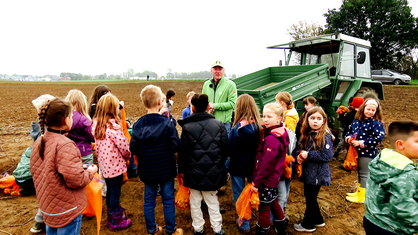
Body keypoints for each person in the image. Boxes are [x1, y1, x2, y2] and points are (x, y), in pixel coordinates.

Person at [30, 96, 97, 235]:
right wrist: (90, 171)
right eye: (71, 115)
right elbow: (76, 180)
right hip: (67, 209)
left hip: (48, 207)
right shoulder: (65, 145)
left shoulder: (39, 142)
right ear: (65, 120)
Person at [130, 85, 183, 235]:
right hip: (166, 168)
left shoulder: (137, 125)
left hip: (147, 169)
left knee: (149, 201)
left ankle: (152, 229)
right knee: (167, 200)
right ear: (160, 101)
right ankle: (171, 230)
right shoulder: (166, 123)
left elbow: (133, 148)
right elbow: (176, 145)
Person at [178, 93, 228, 235]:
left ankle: (198, 228)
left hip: (192, 172)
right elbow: (225, 149)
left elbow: (183, 152)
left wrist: (182, 170)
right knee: (212, 201)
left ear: (192, 108)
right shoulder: (219, 125)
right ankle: (217, 229)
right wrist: (219, 164)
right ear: (207, 107)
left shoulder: (187, 127)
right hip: (213, 171)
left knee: (195, 201)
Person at [364, 121, 418, 235]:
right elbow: (404, 209)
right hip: (392, 228)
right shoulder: (405, 174)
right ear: (400, 145)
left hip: (371, 219)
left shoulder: (383, 158)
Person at [91, 93, 132, 231]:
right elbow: (124, 146)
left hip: (105, 167)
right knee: (115, 192)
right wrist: (128, 156)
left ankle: (111, 214)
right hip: (115, 167)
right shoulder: (113, 128)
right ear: (112, 109)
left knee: (110, 191)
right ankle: (115, 220)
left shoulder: (96, 124)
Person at [293, 107, 333, 232]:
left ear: (323, 121)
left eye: (318, 118)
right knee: (310, 196)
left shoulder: (325, 136)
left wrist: (308, 155)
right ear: (307, 120)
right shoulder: (307, 133)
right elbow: (301, 148)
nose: (315, 121)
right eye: (312, 118)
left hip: (317, 174)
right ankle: (318, 220)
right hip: (309, 173)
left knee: (310, 198)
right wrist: (299, 156)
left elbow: (327, 156)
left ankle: (308, 224)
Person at [251, 103, 288, 235]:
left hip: (266, 180)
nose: (265, 119)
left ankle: (262, 231)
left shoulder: (272, 139)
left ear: (279, 119)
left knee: (264, 208)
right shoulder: (280, 133)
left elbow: (266, 164)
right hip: (274, 179)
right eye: (263, 116)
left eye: (269, 117)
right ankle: (282, 229)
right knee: (274, 203)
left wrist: (256, 183)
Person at [227, 94, 262, 233]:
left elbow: (230, 149)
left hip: (237, 166)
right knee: (258, 192)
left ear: (238, 108)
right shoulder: (259, 127)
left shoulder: (237, 129)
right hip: (254, 166)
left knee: (239, 194)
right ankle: (268, 218)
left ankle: (244, 223)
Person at [345, 98, 385, 203]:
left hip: (367, 153)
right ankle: (359, 192)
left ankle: (363, 197)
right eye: (368, 109)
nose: (370, 112)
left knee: (364, 174)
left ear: (376, 111)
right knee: (360, 172)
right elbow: (349, 131)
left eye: (373, 110)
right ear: (363, 109)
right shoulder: (356, 121)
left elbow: (378, 138)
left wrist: (361, 142)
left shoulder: (376, 123)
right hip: (355, 151)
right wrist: (349, 139)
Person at [202, 61, 237, 134]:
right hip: (209, 123)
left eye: (220, 69)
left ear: (223, 70)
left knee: (224, 145)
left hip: (224, 124)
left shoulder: (230, 85)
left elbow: (232, 104)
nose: (218, 71)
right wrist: (208, 107)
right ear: (211, 71)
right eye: (215, 69)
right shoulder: (206, 84)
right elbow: (203, 102)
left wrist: (214, 106)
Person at [66, 89, 95, 164]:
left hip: (70, 152)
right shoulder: (84, 120)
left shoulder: (65, 119)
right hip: (84, 152)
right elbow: (91, 137)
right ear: (82, 103)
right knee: (89, 173)